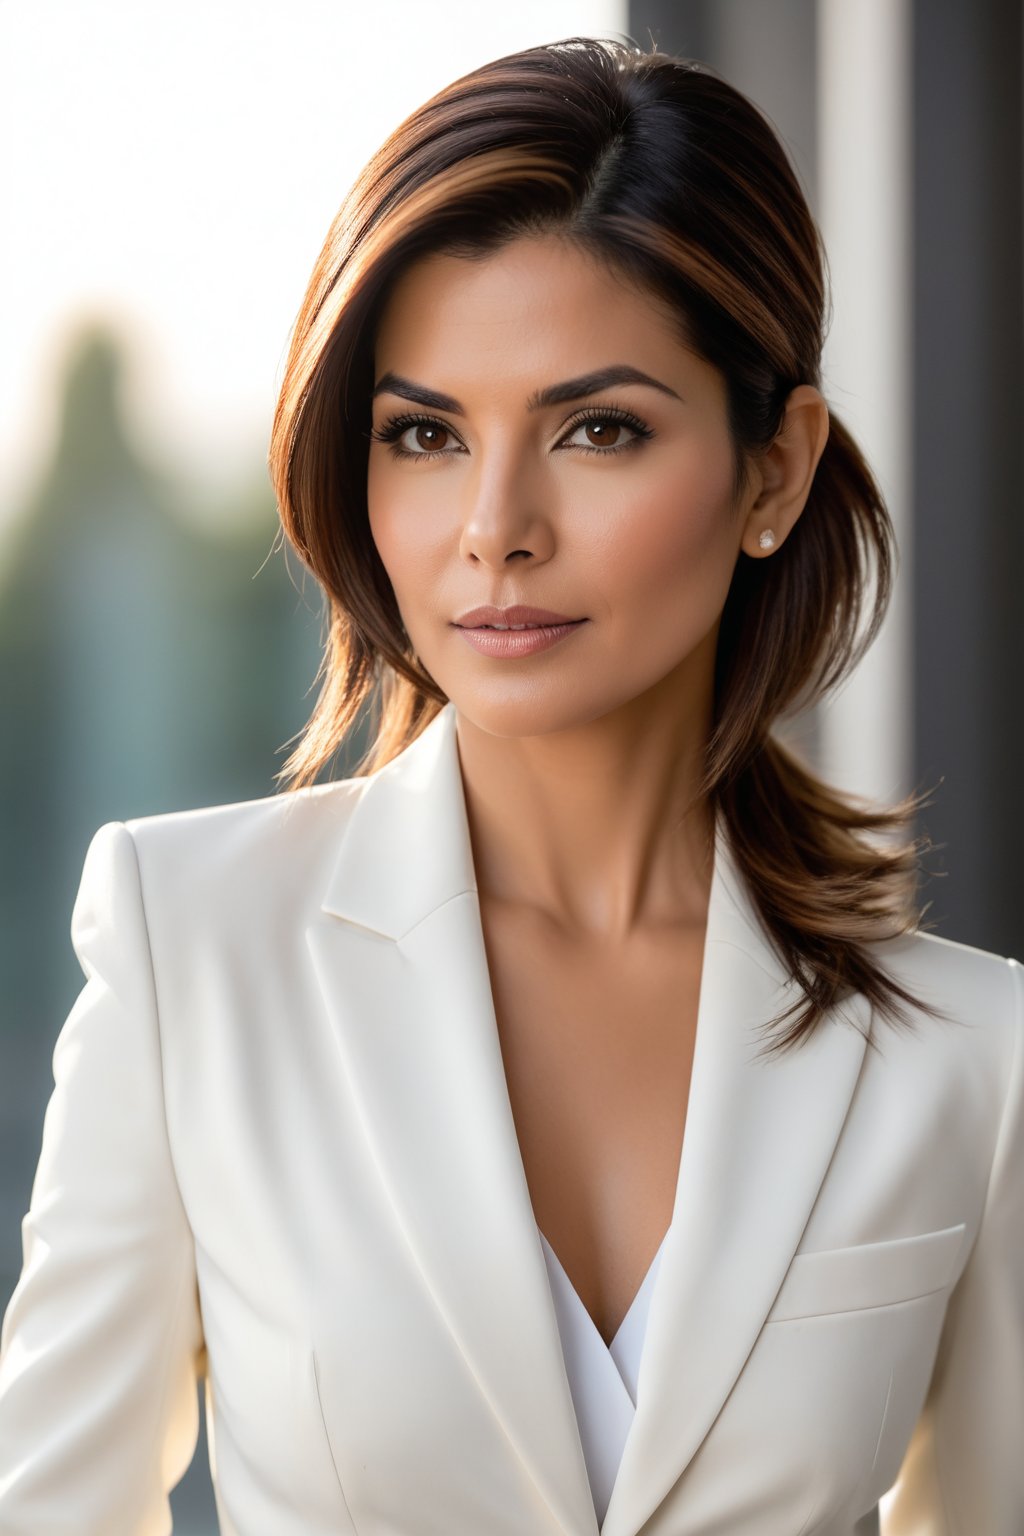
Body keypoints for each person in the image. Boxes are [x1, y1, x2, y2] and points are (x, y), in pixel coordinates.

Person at [0, 34, 1020, 1536]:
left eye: (598, 429)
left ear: (774, 474)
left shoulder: (969, 1057)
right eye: (424, 435)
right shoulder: (191, 947)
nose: (494, 528)